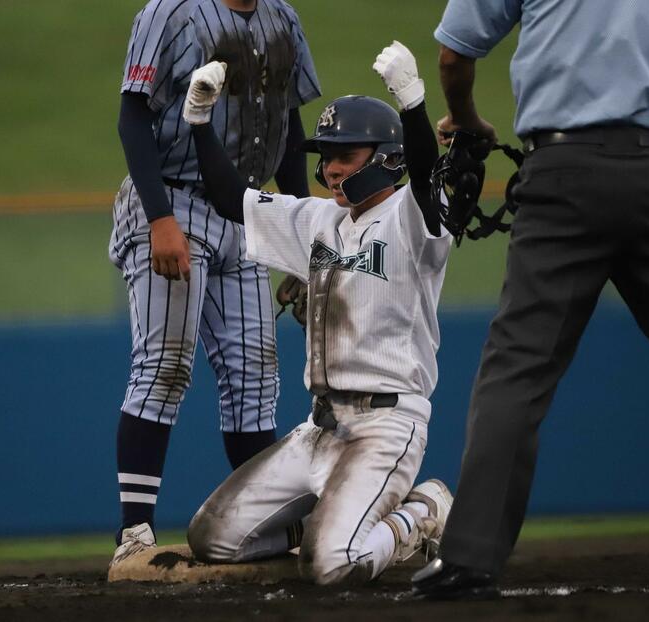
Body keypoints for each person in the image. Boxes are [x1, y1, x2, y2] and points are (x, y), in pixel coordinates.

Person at [412, 0, 649, 599]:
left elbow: (453, 54)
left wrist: (466, 120)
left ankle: (470, 557)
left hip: (562, 175)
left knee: (517, 369)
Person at [180, 42, 455, 585]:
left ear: (386, 158)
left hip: (385, 425)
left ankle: (421, 516)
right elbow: (231, 197)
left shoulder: (413, 216)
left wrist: (413, 103)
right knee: (212, 538)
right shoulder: (319, 220)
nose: (329, 168)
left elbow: (425, 175)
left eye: (344, 155)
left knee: (332, 567)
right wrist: (198, 120)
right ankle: (330, 519)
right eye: (325, 155)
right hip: (319, 427)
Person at [107, 0, 321, 565]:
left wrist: (298, 239)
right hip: (171, 198)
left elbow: (290, 126)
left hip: (244, 210)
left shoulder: (282, 17)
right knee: (164, 365)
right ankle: (135, 536)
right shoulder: (169, 11)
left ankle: (268, 533)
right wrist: (159, 219)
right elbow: (133, 116)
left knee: (255, 381)